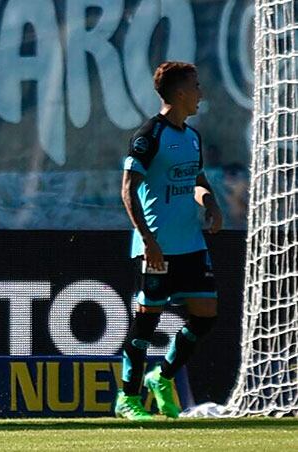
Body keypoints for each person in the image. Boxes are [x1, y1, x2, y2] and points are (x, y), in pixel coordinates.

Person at [117, 61, 223, 421]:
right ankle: (127, 398)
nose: (200, 93)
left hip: (191, 244)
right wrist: (147, 240)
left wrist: (210, 203)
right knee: (147, 322)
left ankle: (161, 377)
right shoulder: (149, 135)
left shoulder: (192, 137)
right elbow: (128, 190)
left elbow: (196, 179)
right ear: (179, 93)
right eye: (195, 86)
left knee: (205, 316)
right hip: (158, 246)